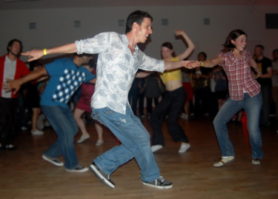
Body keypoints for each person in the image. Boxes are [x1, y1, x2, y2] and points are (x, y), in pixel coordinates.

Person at [16, 10, 198, 189]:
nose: (150, 31)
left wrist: (184, 63)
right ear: (135, 26)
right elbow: (78, 46)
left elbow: (162, 65)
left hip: (122, 107)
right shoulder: (112, 39)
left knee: (138, 140)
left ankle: (124, 170)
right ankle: (130, 171)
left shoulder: (138, 55)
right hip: (107, 105)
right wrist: (45, 51)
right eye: (148, 26)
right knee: (141, 138)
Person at [4, 54, 96, 172]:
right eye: (89, 55)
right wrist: (20, 81)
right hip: (50, 103)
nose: (91, 58)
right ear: (81, 53)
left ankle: (51, 154)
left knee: (73, 130)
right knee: (67, 132)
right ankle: (71, 164)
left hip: (63, 105)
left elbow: (95, 80)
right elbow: (41, 72)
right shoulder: (62, 63)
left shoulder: (83, 71)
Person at [198, 29, 263, 167]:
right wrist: (200, 63)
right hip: (236, 96)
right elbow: (211, 62)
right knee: (218, 122)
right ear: (233, 41)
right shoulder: (225, 56)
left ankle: (257, 155)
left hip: (253, 94)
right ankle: (227, 154)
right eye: (241, 40)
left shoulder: (246, 54)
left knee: (252, 129)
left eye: (245, 40)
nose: (244, 43)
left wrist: (258, 71)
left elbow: (253, 63)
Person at [150, 30, 194, 154]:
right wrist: (134, 76)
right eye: (162, 51)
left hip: (179, 93)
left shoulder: (177, 59)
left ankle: (184, 141)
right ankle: (157, 142)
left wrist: (183, 34)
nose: (165, 53)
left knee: (171, 120)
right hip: (168, 94)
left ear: (172, 51)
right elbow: (145, 73)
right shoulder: (160, 64)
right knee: (154, 115)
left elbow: (191, 47)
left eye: (167, 51)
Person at [0, 39, 30, 149]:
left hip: (13, 97)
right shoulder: (0, 61)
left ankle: (7, 142)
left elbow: (30, 78)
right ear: (9, 47)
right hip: (1, 96)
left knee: (12, 121)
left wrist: (43, 74)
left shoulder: (21, 65)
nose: (17, 48)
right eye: (15, 45)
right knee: (1, 120)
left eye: (19, 46)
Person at [75, 60, 104, 146]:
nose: (82, 66)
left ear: (89, 65)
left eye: (83, 65)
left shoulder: (96, 72)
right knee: (76, 116)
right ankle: (84, 134)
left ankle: (100, 138)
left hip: (94, 99)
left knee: (96, 120)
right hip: (84, 98)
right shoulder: (82, 72)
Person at [254, 45, 273, 127]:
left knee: (265, 103)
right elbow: (251, 73)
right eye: (255, 50)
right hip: (256, 86)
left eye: (258, 49)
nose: (257, 51)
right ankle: (259, 121)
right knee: (257, 104)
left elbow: (270, 74)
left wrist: (258, 76)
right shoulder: (253, 61)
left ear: (262, 50)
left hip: (265, 85)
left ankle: (265, 122)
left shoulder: (267, 61)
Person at [27, 60, 47, 135]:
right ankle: (34, 129)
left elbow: (37, 80)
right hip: (32, 94)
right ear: (34, 66)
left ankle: (34, 128)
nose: (38, 68)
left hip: (34, 94)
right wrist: (46, 76)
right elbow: (35, 80)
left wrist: (45, 76)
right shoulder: (31, 73)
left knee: (37, 111)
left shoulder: (31, 73)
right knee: (35, 112)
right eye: (37, 66)